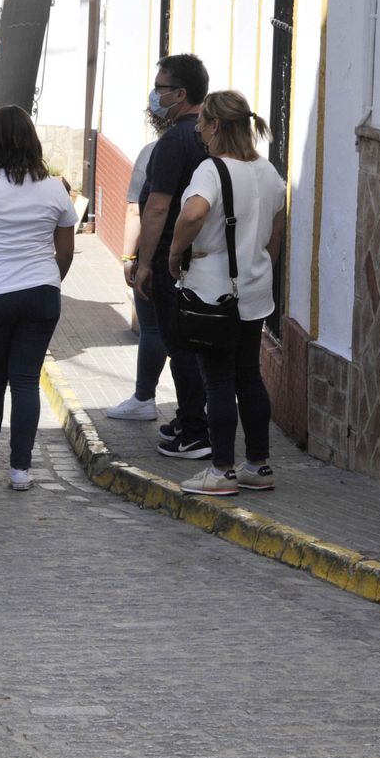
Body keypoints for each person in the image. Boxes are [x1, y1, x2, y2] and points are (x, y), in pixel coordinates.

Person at [0, 106, 77, 491]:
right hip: (41, 294)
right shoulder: (55, 187)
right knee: (25, 381)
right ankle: (21, 469)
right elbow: (66, 248)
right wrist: (51, 280)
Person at [165, 91, 287, 495]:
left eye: (203, 123)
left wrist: (176, 249)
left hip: (212, 293)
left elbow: (194, 213)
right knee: (249, 376)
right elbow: (277, 234)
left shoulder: (211, 171)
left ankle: (221, 470)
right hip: (253, 291)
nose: (198, 128)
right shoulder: (268, 172)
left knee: (217, 380)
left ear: (216, 125)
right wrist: (257, 265)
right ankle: (258, 464)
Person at [132, 54, 213, 458]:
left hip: (172, 258)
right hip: (206, 258)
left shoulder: (173, 141)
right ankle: (189, 417)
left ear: (181, 94)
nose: (156, 94)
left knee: (179, 344)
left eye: (161, 88)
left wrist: (144, 263)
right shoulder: (213, 137)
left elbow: (157, 208)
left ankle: (196, 431)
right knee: (195, 344)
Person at [107, 106, 171, 422]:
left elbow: (137, 211)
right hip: (200, 260)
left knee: (153, 329)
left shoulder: (153, 151)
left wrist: (129, 258)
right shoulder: (208, 150)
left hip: (158, 257)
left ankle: (144, 397)